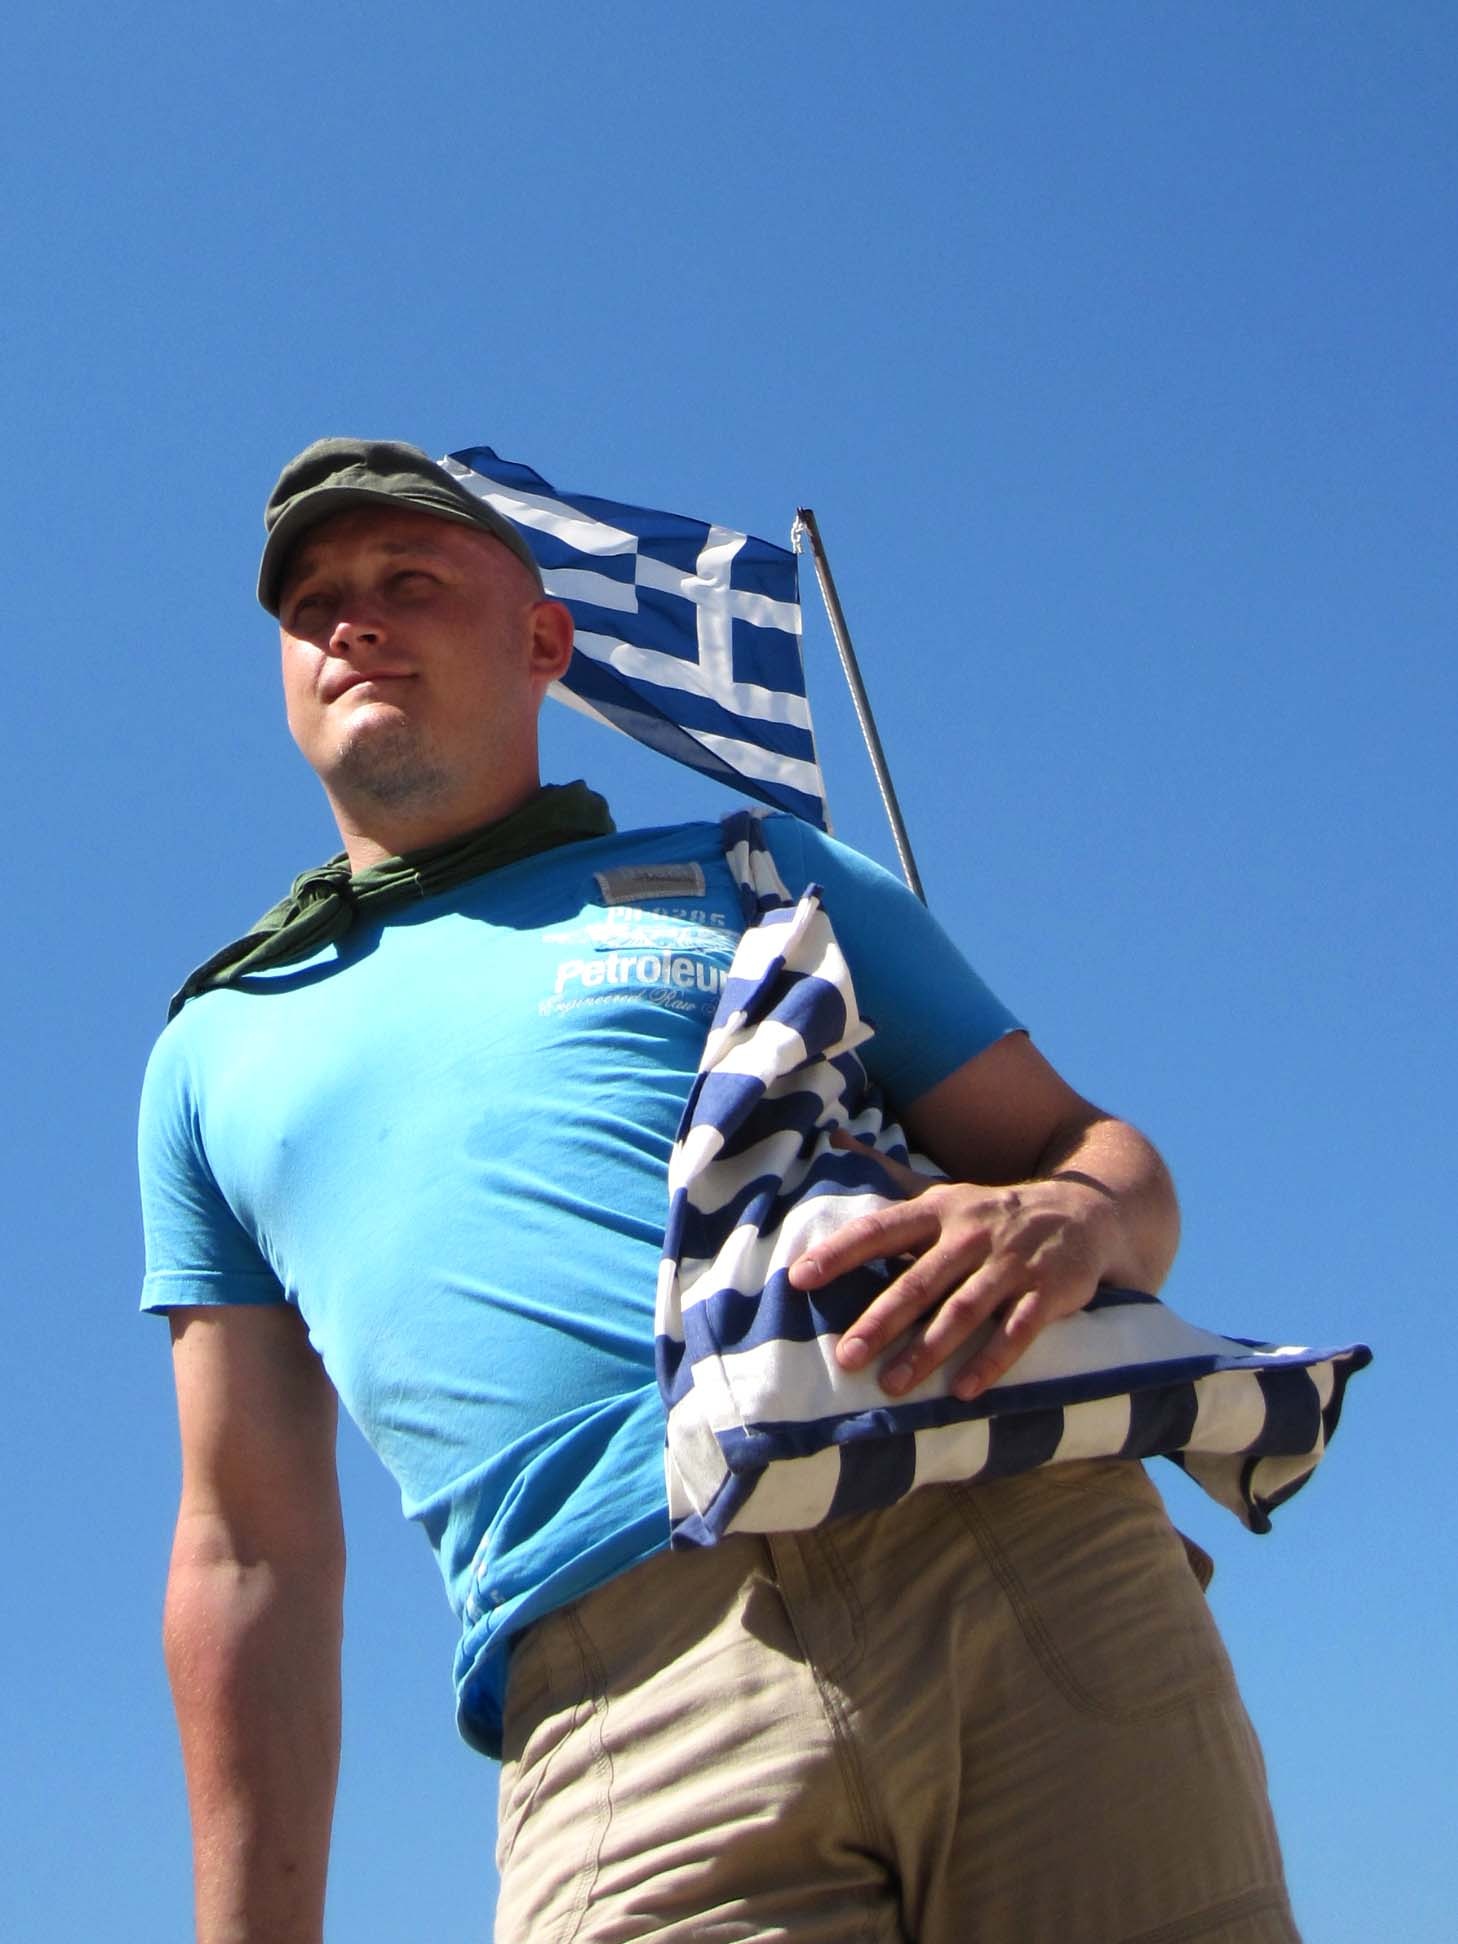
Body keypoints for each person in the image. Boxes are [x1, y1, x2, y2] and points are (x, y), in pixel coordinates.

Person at [140, 438, 1297, 1943]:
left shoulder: (761, 869)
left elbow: (1094, 1154)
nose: (350, 622)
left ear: (542, 643)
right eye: (311, 607)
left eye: (408, 581)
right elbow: (249, 1548)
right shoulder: (214, 1049)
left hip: (1013, 1550)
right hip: (618, 1703)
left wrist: (1073, 1215)